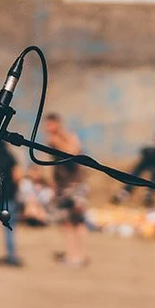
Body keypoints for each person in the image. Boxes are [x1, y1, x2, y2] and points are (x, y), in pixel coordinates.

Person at [45, 114, 88, 268]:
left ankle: (78, 255)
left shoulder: (68, 137)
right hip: (63, 187)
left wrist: (56, 141)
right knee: (67, 222)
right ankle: (72, 255)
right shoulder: (51, 141)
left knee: (76, 221)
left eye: (50, 125)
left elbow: (74, 152)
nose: (47, 128)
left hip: (74, 185)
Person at [114, 130, 155, 206]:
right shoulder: (149, 150)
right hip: (147, 167)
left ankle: (149, 194)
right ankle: (125, 192)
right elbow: (141, 162)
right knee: (136, 172)